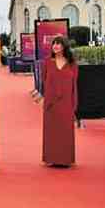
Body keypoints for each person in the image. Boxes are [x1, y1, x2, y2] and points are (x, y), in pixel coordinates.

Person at [35, 36, 78, 167]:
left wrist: (74, 103)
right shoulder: (47, 62)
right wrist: (46, 98)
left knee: (66, 130)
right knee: (52, 131)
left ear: (64, 46)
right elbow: (43, 80)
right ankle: (52, 158)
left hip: (66, 101)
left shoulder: (72, 63)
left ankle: (65, 159)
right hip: (51, 102)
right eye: (54, 44)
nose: (55, 46)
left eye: (58, 44)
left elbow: (74, 84)